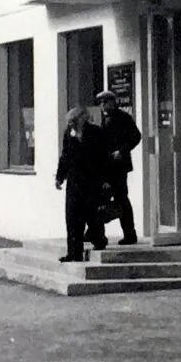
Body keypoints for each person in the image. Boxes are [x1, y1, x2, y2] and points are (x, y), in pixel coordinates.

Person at [54, 107, 107, 263]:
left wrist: (105, 179)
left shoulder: (96, 132)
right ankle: (74, 252)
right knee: (72, 217)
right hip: (74, 181)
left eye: (74, 120)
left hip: (92, 181)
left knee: (92, 214)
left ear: (83, 118)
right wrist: (60, 177)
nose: (71, 123)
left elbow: (103, 158)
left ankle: (99, 240)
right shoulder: (68, 133)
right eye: (70, 121)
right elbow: (65, 156)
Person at [92, 89, 142, 246]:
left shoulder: (123, 118)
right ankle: (94, 231)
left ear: (112, 102)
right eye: (100, 103)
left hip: (119, 166)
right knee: (100, 198)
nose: (102, 105)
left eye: (105, 102)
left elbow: (136, 136)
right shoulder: (103, 119)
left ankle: (129, 234)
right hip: (106, 166)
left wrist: (122, 151)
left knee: (121, 199)